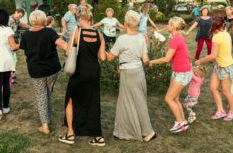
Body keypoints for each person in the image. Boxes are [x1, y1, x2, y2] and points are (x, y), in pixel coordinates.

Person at [106, 10, 156, 142]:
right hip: (139, 71)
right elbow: (145, 59)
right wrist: (147, 63)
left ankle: (148, 131)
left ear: (126, 23)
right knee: (135, 100)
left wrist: (99, 48)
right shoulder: (141, 37)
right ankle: (124, 130)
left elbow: (110, 57)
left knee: (129, 101)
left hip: (128, 72)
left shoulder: (122, 39)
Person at [59, 10, 106, 146]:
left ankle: (70, 134)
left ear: (81, 19)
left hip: (80, 70)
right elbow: (102, 57)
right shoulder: (100, 34)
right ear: (91, 19)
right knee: (93, 101)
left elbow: (68, 52)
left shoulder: (77, 32)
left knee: (71, 100)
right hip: (94, 71)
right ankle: (98, 136)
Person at [20, 10, 67, 134]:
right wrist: (74, 50)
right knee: (49, 92)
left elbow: (22, 48)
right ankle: (47, 118)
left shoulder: (26, 35)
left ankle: (45, 125)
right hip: (52, 70)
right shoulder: (49, 32)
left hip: (36, 71)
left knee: (41, 95)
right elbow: (62, 44)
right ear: (44, 19)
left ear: (31, 20)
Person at [150, 17, 192, 133]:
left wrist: (151, 62)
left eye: (168, 24)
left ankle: (180, 123)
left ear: (174, 26)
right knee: (175, 98)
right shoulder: (177, 36)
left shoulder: (175, 39)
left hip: (182, 73)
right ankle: (182, 121)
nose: (167, 25)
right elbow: (187, 54)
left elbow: (166, 59)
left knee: (168, 98)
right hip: (179, 71)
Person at [195, 17, 233, 121]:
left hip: (226, 66)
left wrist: (199, 61)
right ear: (223, 25)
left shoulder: (217, 37)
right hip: (219, 65)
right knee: (213, 87)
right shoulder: (226, 33)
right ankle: (221, 111)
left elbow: (213, 55)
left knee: (226, 91)